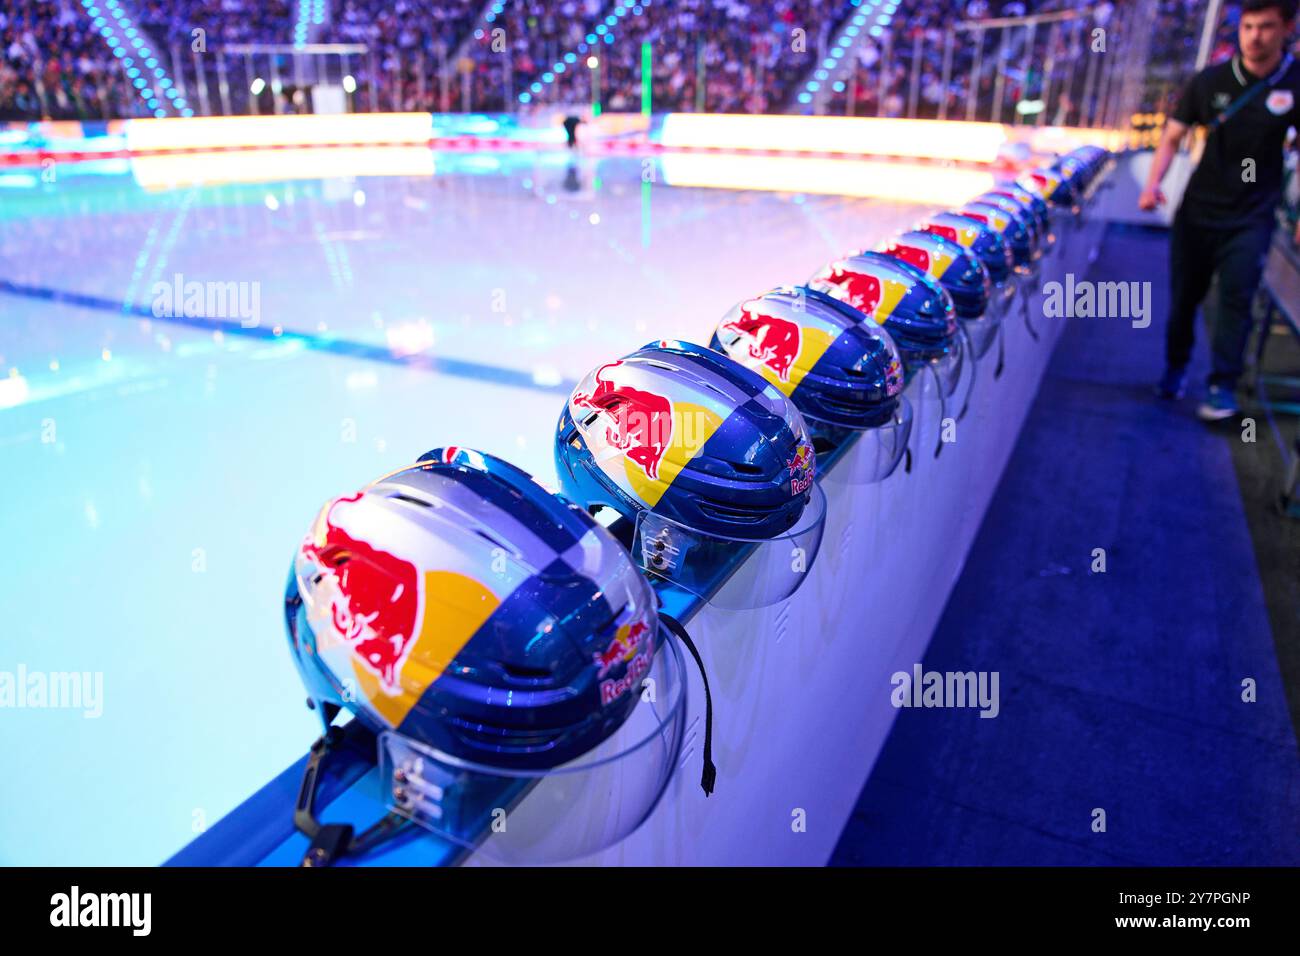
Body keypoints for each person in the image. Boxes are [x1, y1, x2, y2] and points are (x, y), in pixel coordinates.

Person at [1141, 0, 1300, 421]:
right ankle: (1175, 369)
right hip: (1198, 213)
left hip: (1252, 215)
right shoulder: (1210, 81)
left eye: (1265, 27)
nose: (1255, 36)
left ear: (1287, 28)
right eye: (1248, 26)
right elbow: (1173, 136)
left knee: (1237, 297)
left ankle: (1222, 387)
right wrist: (1153, 184)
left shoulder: (1295, 82)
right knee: (1183, 301)